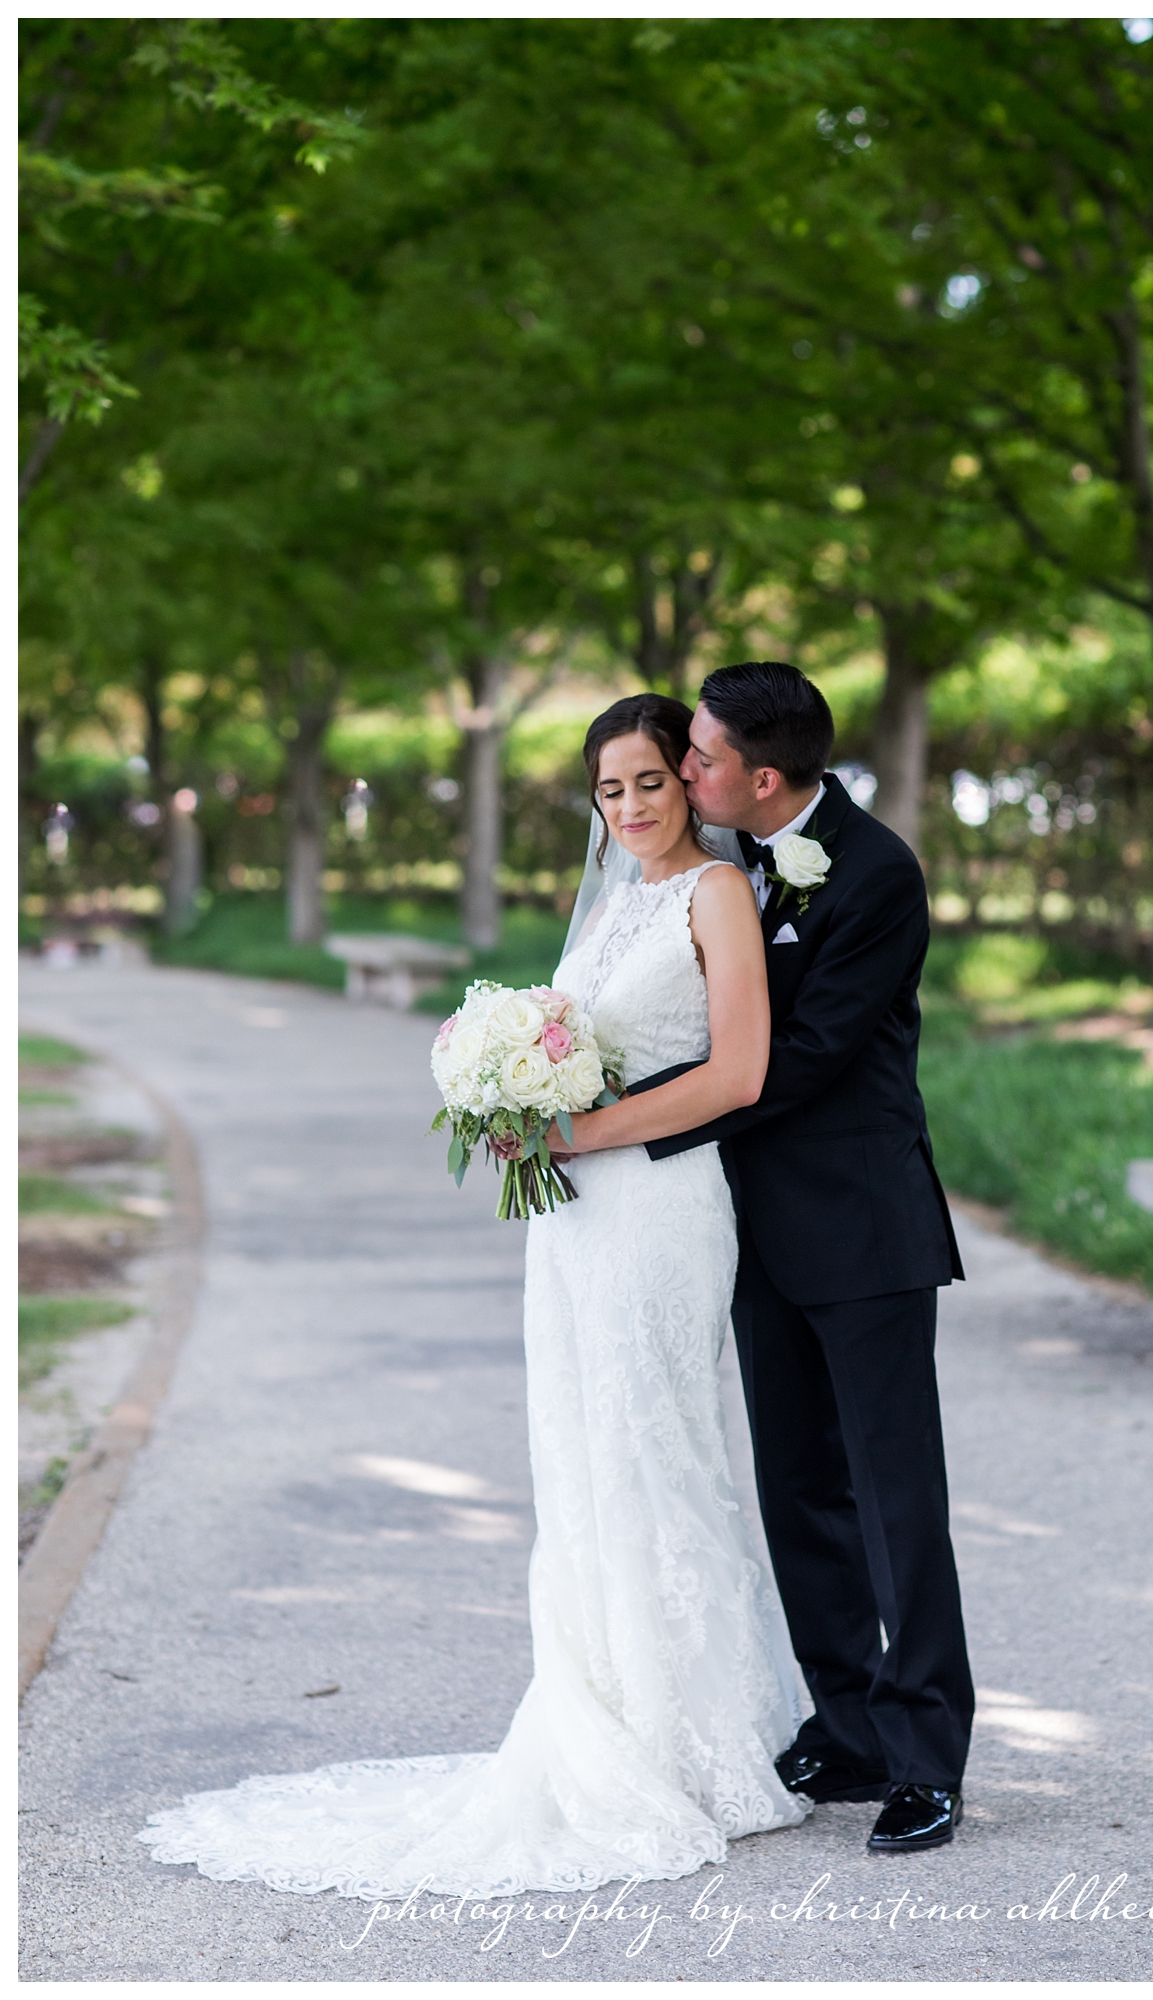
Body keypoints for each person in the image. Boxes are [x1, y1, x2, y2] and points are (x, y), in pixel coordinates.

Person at [137, 692, 810, 1901]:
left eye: (650, 780)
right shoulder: (607, 896)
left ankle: (694, 1737)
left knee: (659, 1446)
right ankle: (603, 1709)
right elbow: (578, 1035)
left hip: (659, 1209)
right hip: (571, 1216)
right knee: (583, 1450)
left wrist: (575, 1123)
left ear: (690, 781)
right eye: (608, 789)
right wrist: (514, 1108)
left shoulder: (715, 894)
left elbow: (737, 1072)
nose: (630, 806)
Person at [553, 660, 974, 1856]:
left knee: (897, 1500)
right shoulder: (725, 865)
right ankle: (844, 1725)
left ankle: (926, 1753)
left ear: (763, 773)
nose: (682, 772)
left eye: (698, 757)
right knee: (798, 1488)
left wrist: (626, 1128)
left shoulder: (878, 871)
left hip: (862, 1223)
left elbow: (803, 1057)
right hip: (743, 1228)